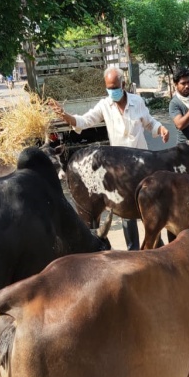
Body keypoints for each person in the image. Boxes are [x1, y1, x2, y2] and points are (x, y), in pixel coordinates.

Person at [49, 66, 169, 251]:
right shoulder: (105, 105)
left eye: (115, 86)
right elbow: (85, 121)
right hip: (119, 168)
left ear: (123, 84)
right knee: (125, 211)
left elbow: (149, 121)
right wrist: (66, 116)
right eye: (109, 87)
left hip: (143, 165)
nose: (112, 91)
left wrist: (160, 128)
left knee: (150, 206)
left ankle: (157, 248)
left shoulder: (137, 102)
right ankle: (133, 251)